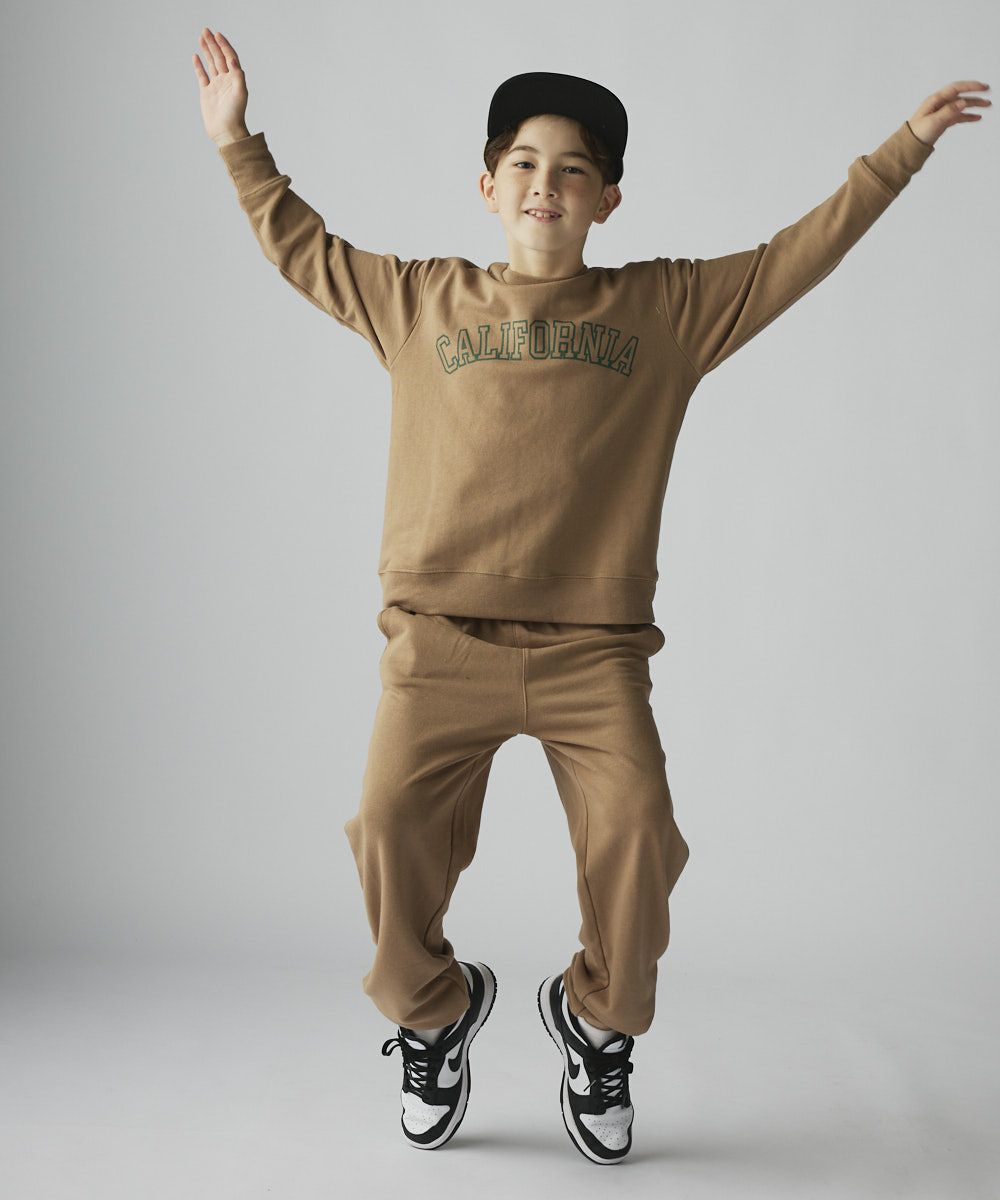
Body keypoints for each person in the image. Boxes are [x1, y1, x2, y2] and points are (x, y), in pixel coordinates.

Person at [193, 27, 989, 1165]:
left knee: (638, 833)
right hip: (438, 644)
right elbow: (297, 243)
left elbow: (796, 254)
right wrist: (237, 144)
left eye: (573, 170)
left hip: (592, 652)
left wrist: (902, 147)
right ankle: (434, 1013)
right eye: (523, 163)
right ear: (485, 186)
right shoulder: (417, 300)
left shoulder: (664, 312)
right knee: (386, 826)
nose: (546, 184)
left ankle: (596, 1022)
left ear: (607, 200)